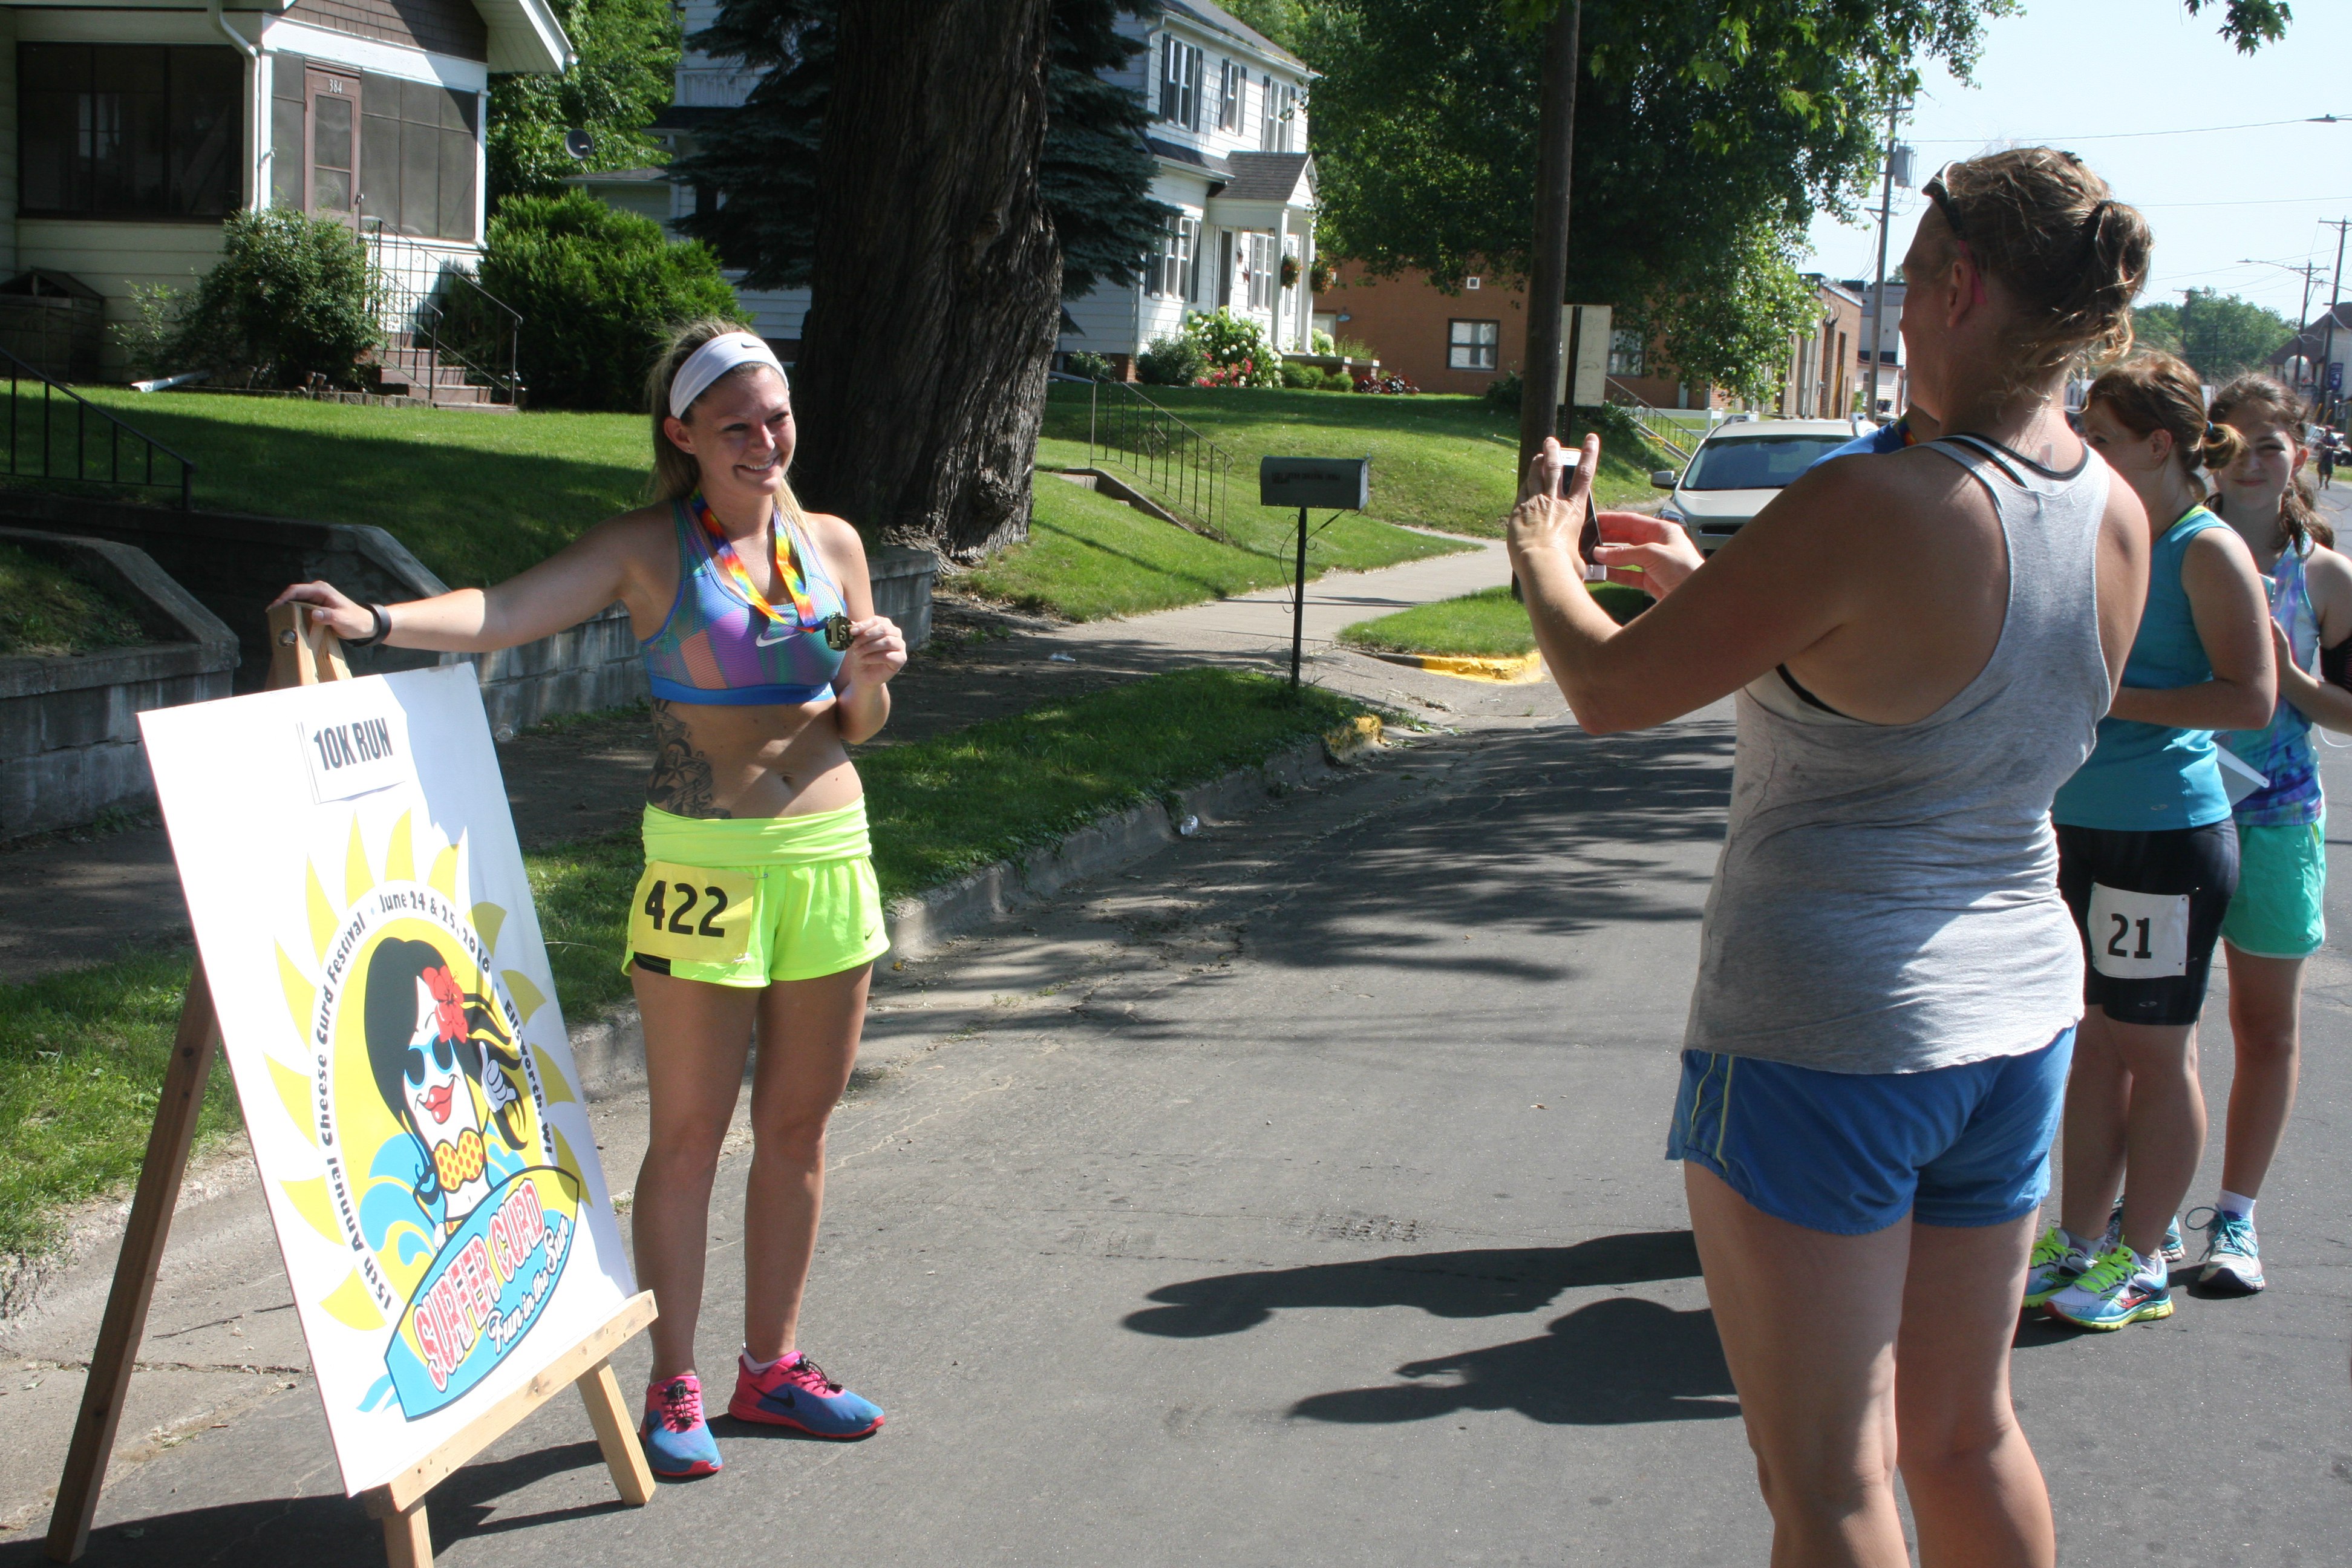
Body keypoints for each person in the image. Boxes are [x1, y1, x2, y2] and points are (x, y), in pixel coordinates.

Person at [1528, 148, 2152, 1567]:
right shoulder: (2112, 509)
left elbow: (1608, 689)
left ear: (1960, 286)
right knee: (1964, 1432)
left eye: (1909, 280)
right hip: (2013, 1016)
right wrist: (1716, 593)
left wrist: (1543, 555)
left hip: (1829, 1030)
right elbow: (1921, 692)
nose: (1888, 317)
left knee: (1829, 1482)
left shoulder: (1883, 503)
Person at [272, 321, 904, 1479]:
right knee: (688, 1139)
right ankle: (676, 1380)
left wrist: (866, 682)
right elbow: (504, 613)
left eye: (778, 419)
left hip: (830, 858)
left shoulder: (832, 543)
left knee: (800, 1130)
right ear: (683, 435)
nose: (766, 442)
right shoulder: (646, 548)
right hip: (702, 871)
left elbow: (856, 725)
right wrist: (376, 623)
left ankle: (775, 1365)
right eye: (736, 427)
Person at [2024, 354, 2275, 1331]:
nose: (2084, 449)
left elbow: (2250, 699)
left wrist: (2108, 698)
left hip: (2165, 835)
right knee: (2092, 1047)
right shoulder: (2103, 533)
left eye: (2107, 435)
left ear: (2161, 445)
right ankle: (2080, 1239)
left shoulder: (2205, 549)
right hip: (2079, 824)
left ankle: (2142, 1256)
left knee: (2156, 1053)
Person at [2195, 374, 2352, 1293]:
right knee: (2148, 1027)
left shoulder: (2325, 577)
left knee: (2264, 1028)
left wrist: (2290, 680)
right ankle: (2144, 1209)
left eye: (2270, 443)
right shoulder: (2171, 548)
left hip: (2278, 819)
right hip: (2168, 817)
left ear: (2300, 452)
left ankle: (2236, 1221)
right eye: (2231, 441)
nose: (2251, 460)